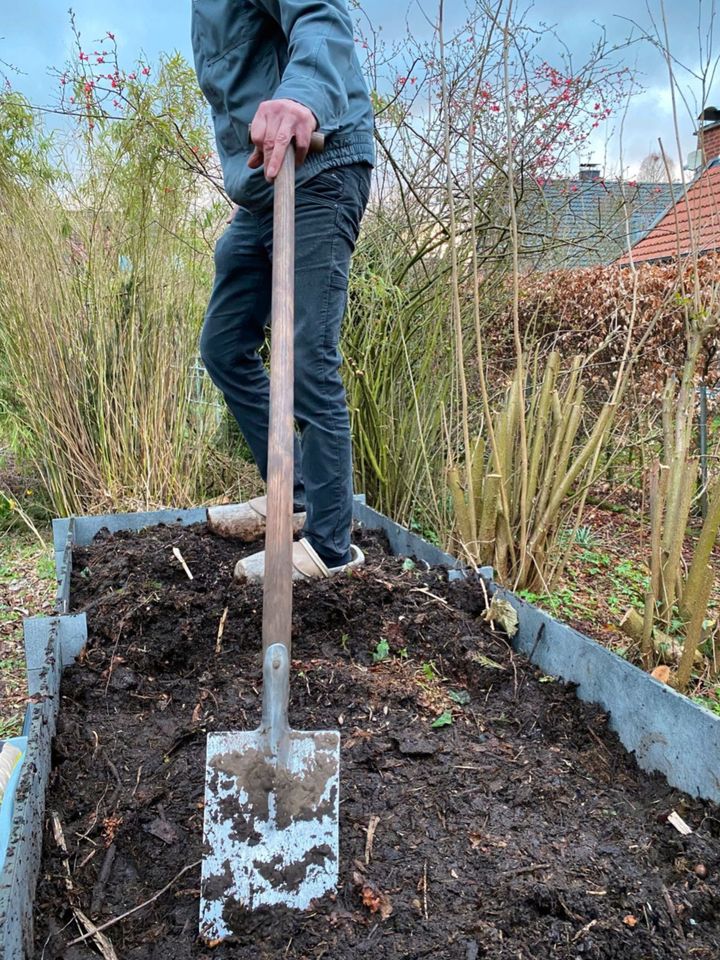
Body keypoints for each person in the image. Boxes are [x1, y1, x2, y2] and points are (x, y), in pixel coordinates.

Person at [191, 0, 375, 580]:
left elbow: (321, 16)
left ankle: (329, 546)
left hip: (320, 161)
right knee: (223, 346)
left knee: (306, 357)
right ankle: (291, 496)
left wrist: (301, 95)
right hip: (265, 186)